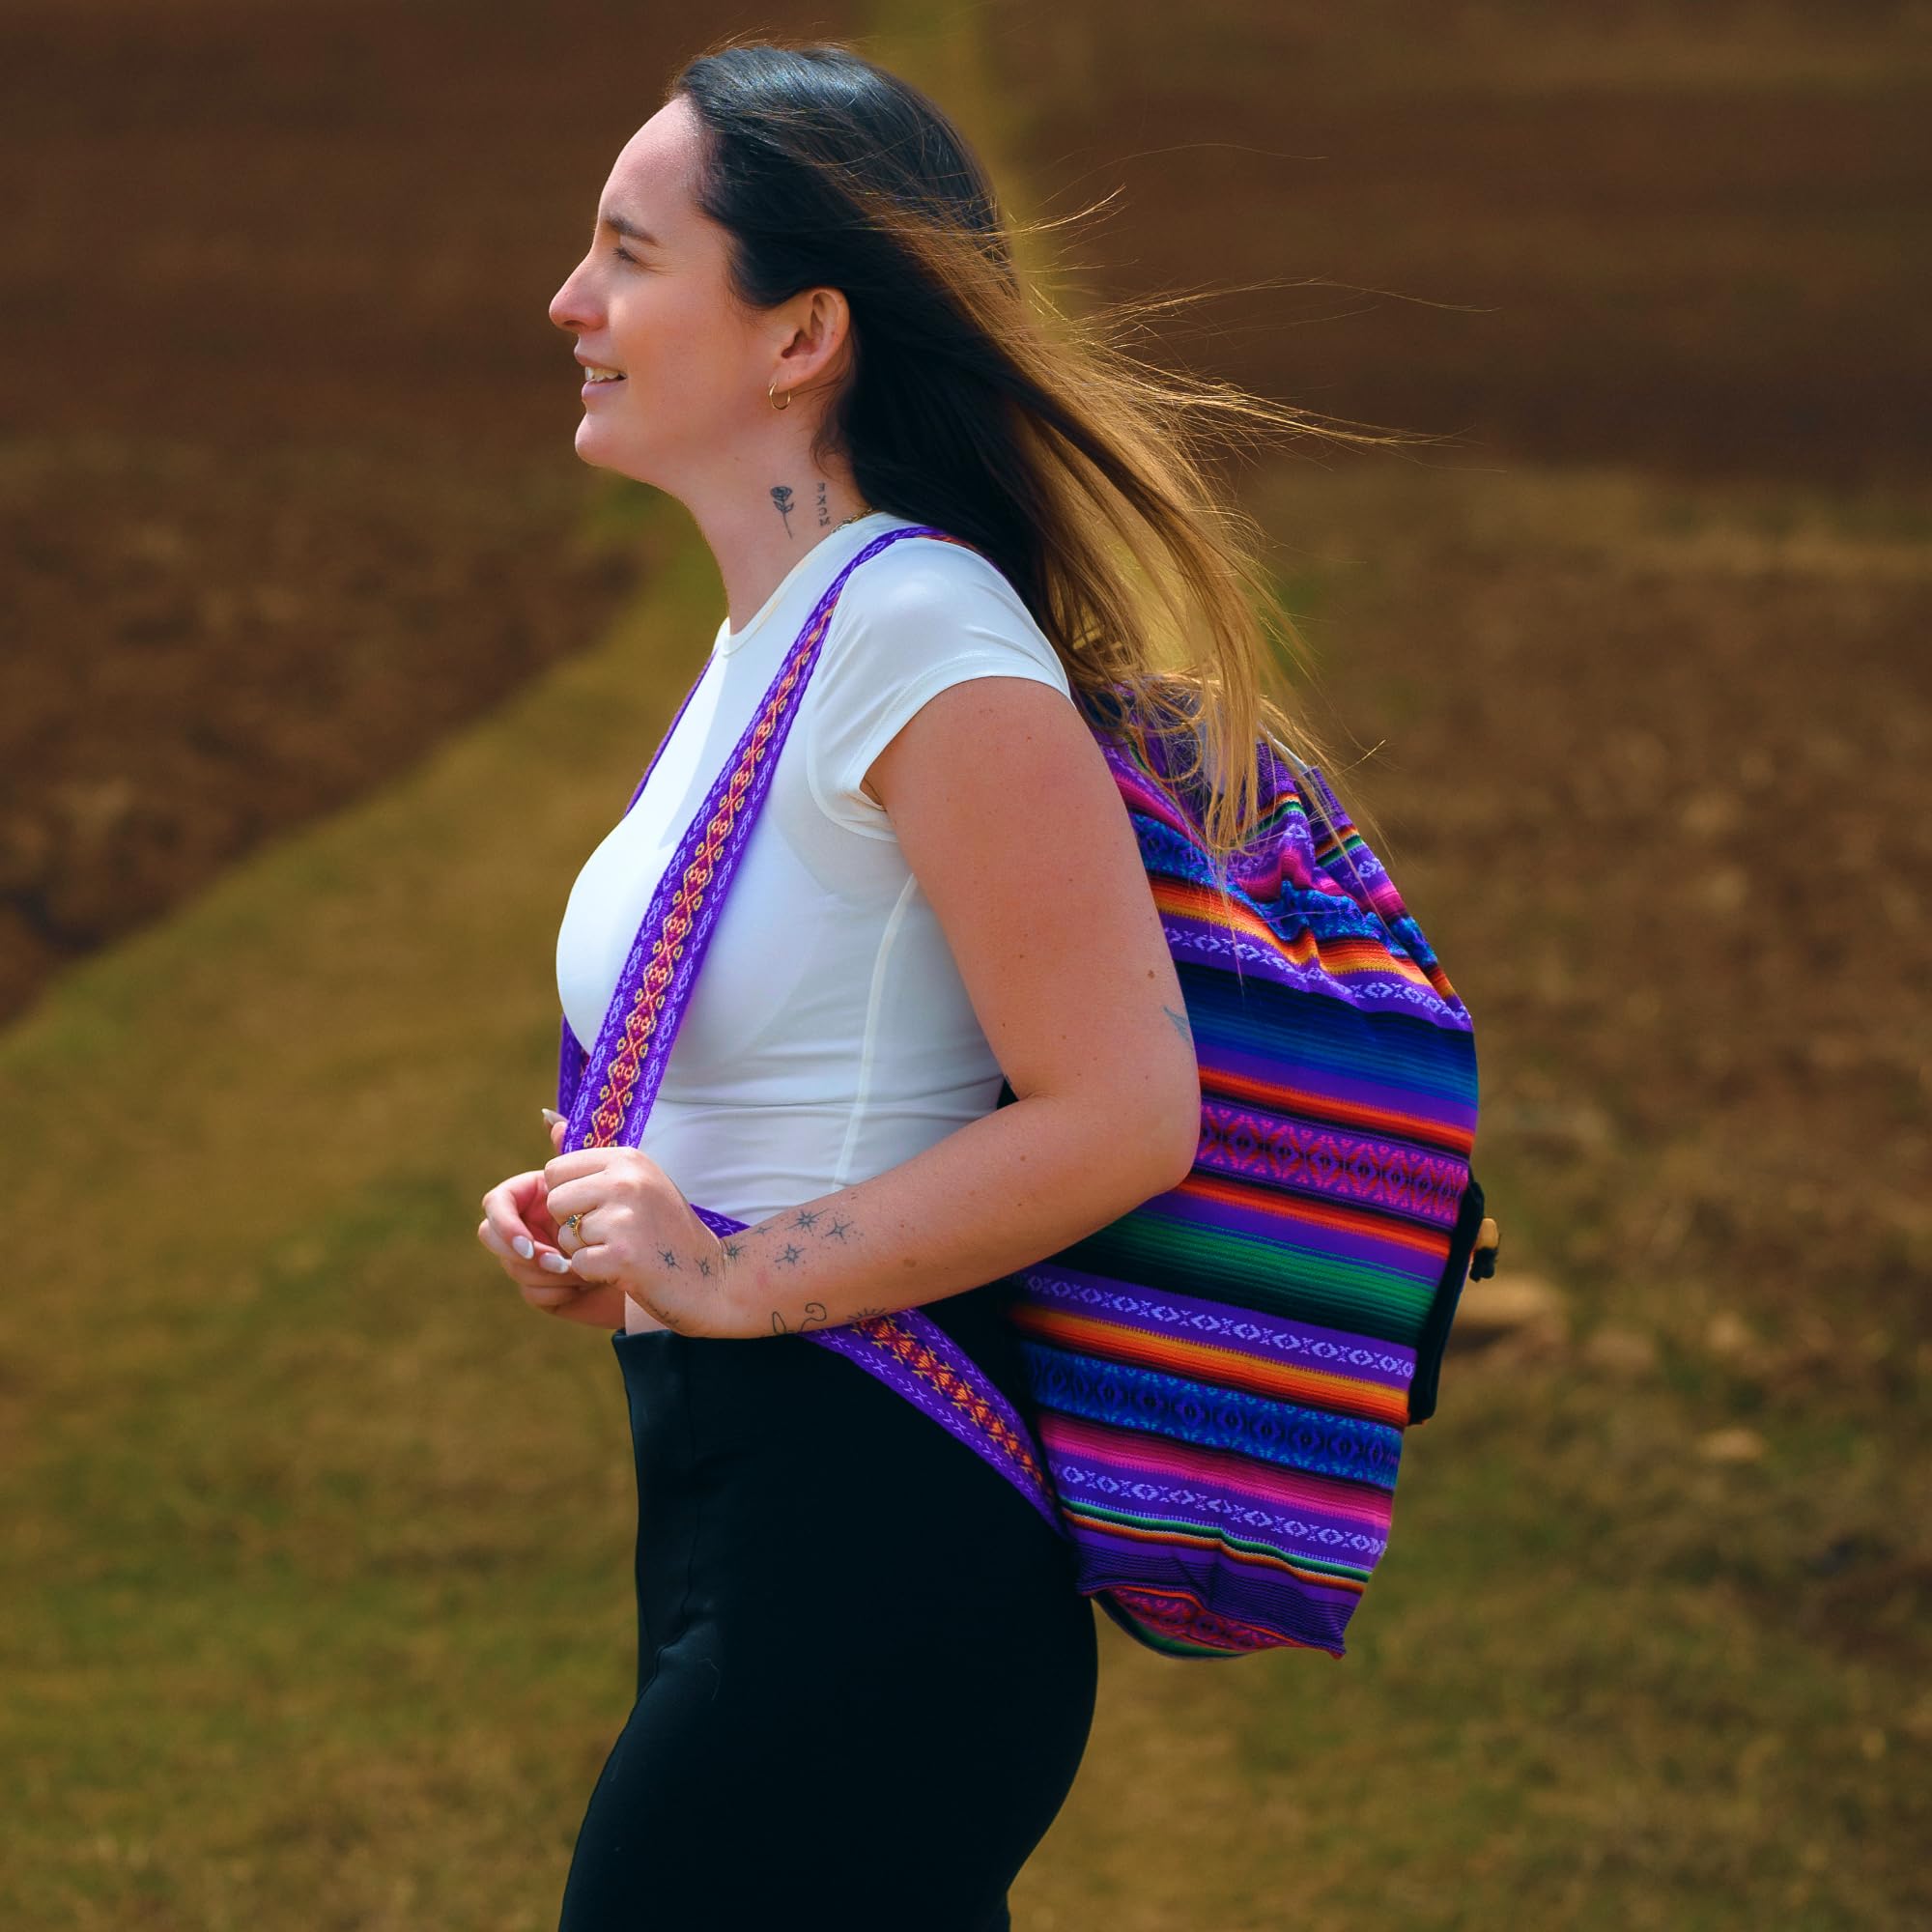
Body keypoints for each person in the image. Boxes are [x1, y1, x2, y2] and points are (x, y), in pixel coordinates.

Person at [477, 36, 1407, 1931]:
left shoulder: (917, 632)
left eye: (629, 255)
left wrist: (728, 1267)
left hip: (877, 1549)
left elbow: (1127, 1107)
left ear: (802, 332)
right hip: (755, 1525)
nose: (569, 300)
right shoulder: (780, 634)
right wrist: (626, 1234)